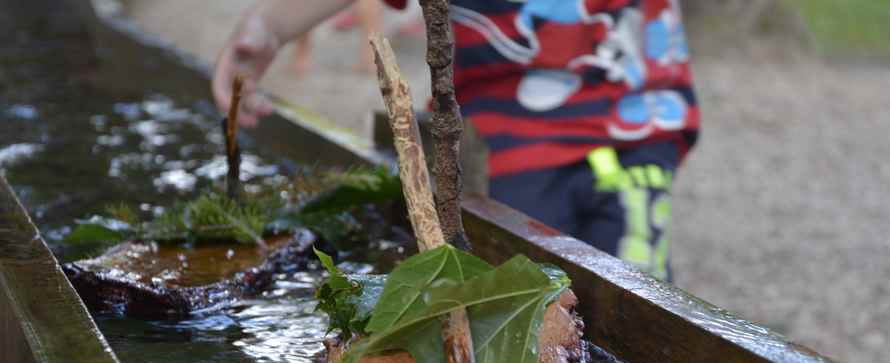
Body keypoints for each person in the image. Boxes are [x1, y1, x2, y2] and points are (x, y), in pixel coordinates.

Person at [213, 1, 699, 281]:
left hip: (634, 131)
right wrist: (270, 27)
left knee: (635, 297)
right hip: (501, 148)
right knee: (513, 291)